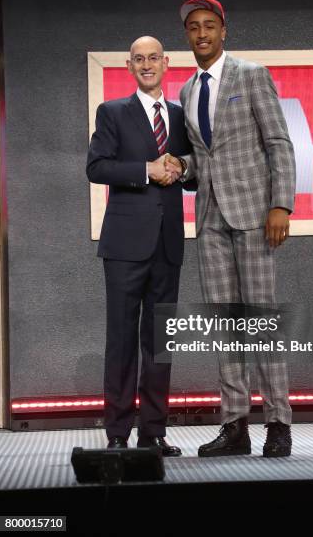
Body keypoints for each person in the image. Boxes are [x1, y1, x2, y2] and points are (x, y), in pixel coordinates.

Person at [166, 0, 296, 458]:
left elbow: (279, 143)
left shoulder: (251, 74)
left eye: (209, 26)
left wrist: (281, 204)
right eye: (193, 28)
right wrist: (176, 166)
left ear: (224, 31)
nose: (201, 34)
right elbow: (202, 163)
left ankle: (278, 423)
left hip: (255, 215)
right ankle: (235, 425)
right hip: (210, 219)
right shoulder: (185, 91)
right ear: (188, 36)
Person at [86, 36, 192, 454]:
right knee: (122, 340)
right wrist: (146, 170)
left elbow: (194, 174)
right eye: (138, 60)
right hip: (125, 246)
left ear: (166, 63)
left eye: (153, 58)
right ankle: (117, 435)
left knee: (160, 343)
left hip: (168, 246)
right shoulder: (113, 112)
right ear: (129, 67)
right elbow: (96, 167)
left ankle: (154, 432)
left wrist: (181, 167)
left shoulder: (181, 116)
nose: (147, 65)